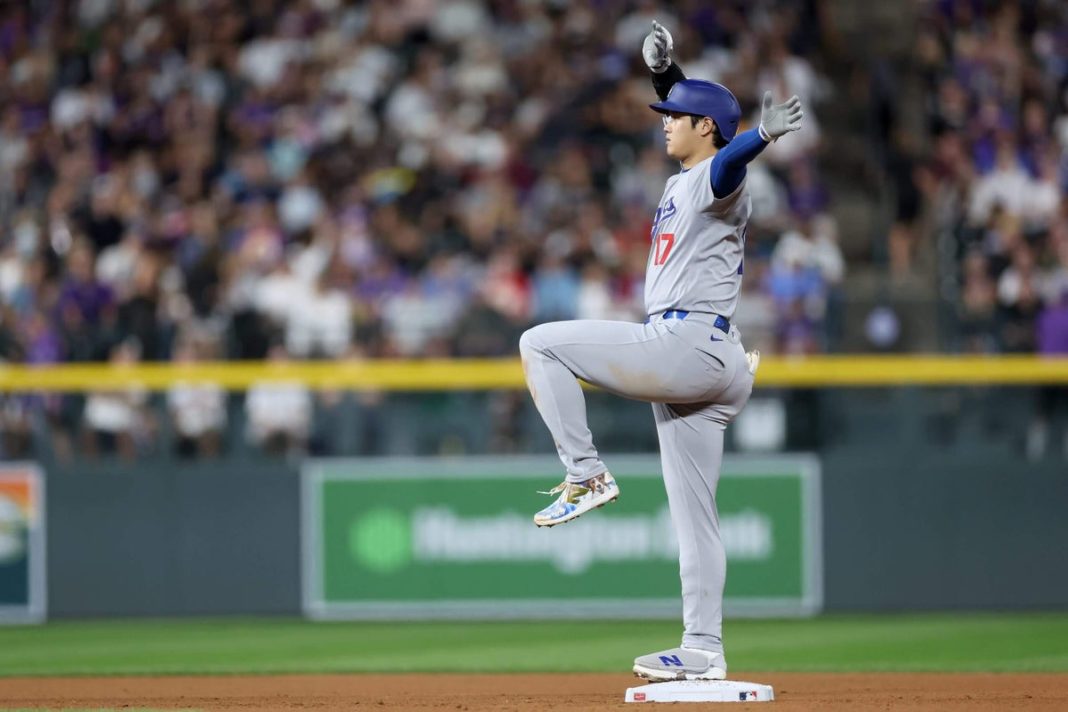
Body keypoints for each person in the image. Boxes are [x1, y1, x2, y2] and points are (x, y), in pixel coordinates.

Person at [518, 21, 802, 683]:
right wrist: (664, 71)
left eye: (675, 117)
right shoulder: (692, 169)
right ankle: (702, 646)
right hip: (716, 361)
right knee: (696, 517)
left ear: (705, 128)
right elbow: (702, 116)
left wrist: (759, 136)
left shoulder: (716, 176)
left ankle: (585, 473)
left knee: (540, 345)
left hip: (684, 343)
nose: (665, 122)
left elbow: (727, 157)